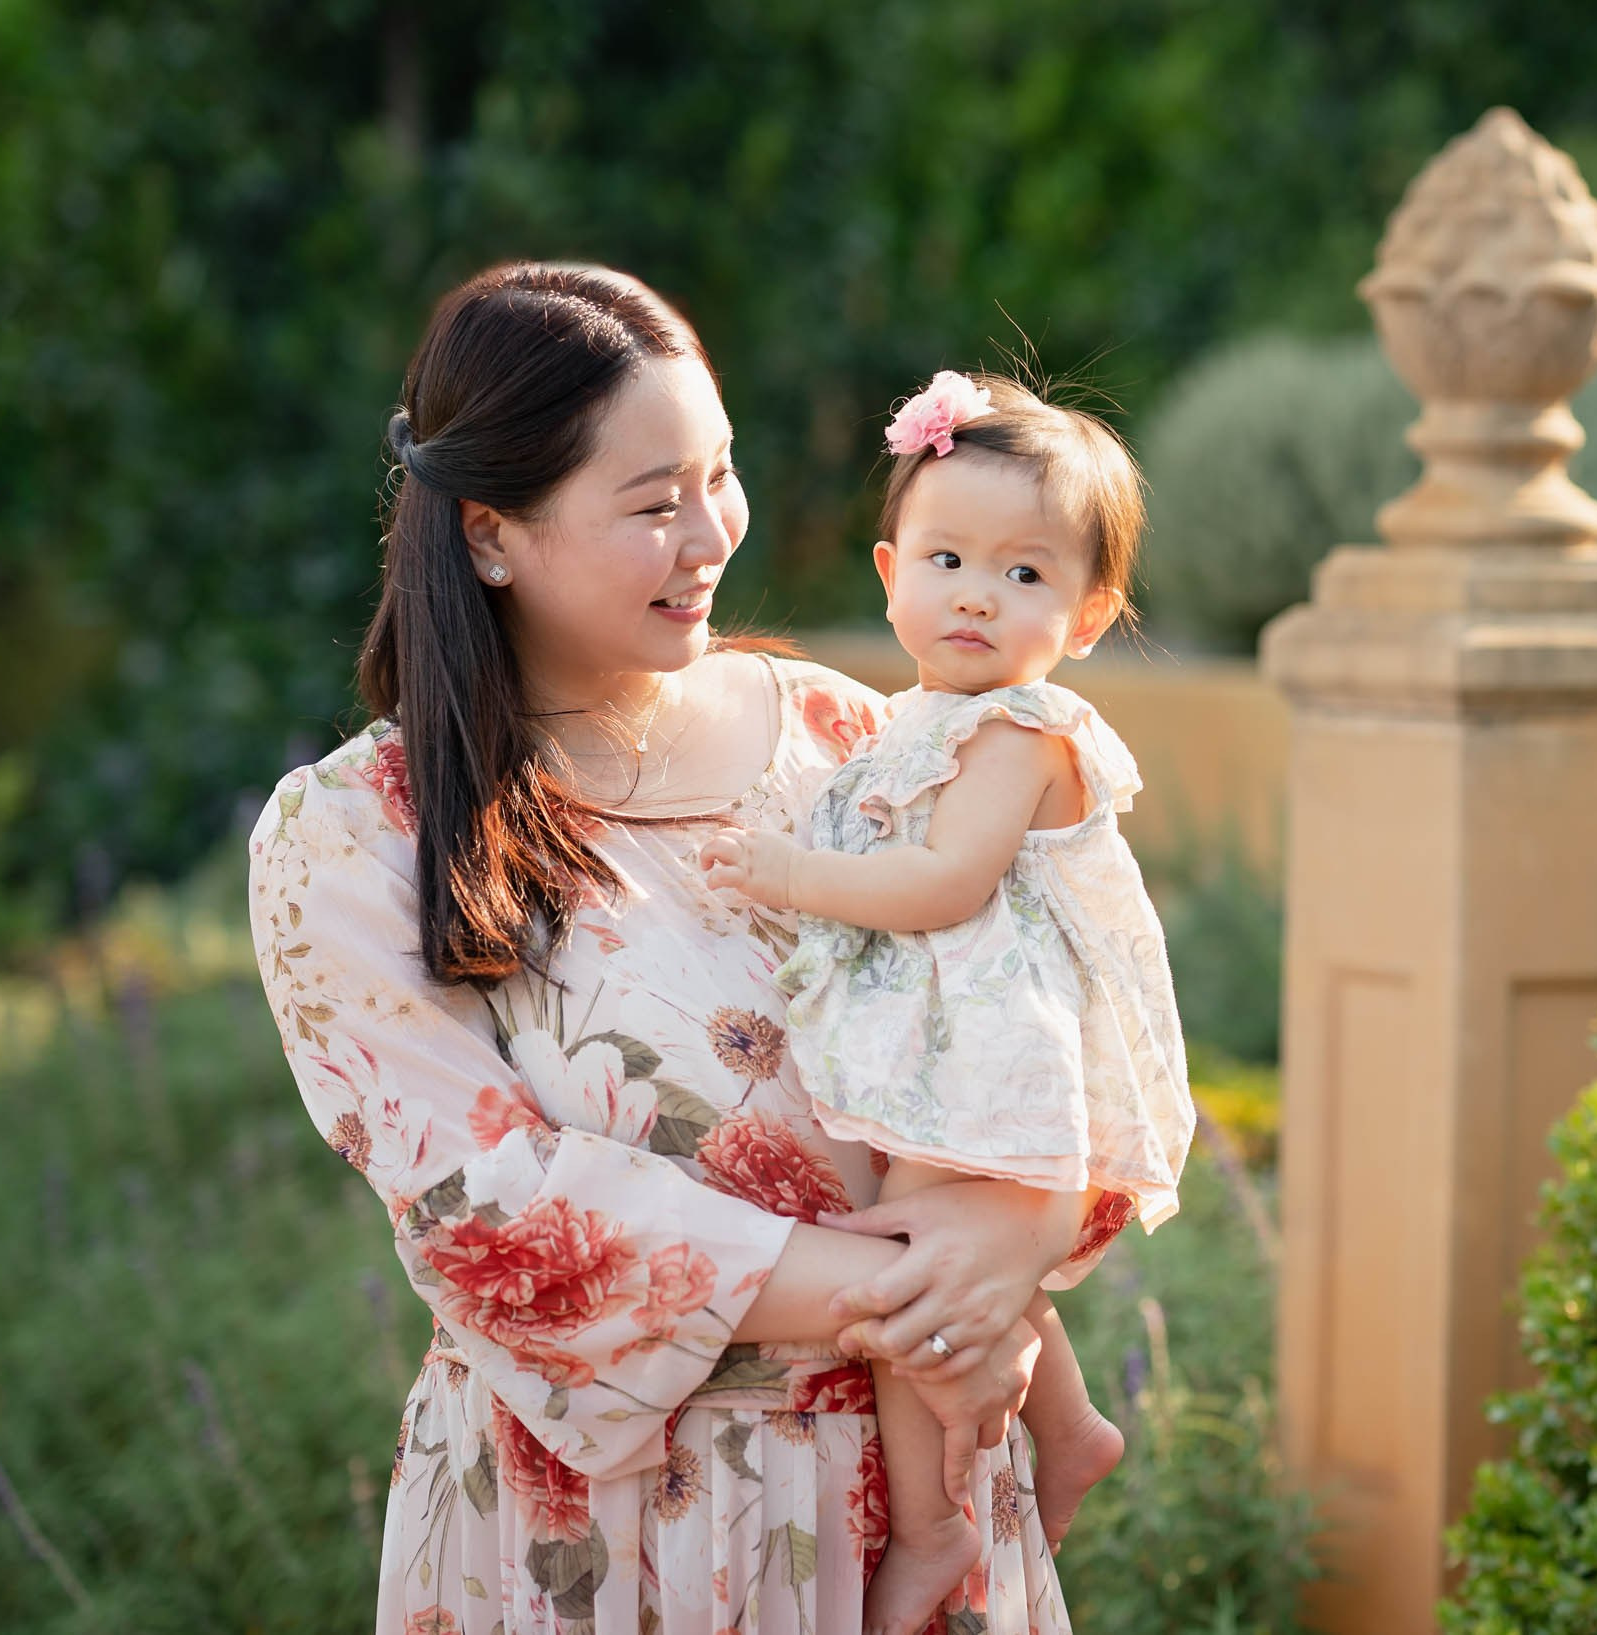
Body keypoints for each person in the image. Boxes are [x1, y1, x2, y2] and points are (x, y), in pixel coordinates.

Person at [247, 264, 1120, 1635]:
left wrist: (1015, 1237)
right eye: (654, 504)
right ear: (490, 534)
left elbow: (1048, 997)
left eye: (722, 472)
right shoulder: (359, 832)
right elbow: (487, 1208)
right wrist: (936, 1295)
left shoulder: (852, 735)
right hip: (606, 1536)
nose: (712, 531)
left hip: (916, 1485)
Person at [698, 371, 1192, 1635]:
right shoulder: (916, 719)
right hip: (949, 1042)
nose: (977, 592)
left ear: (1089, 616)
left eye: (1027, 575)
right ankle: (1069, 1424)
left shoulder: (1023, 728)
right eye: (950, 556)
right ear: (889, 569)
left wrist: (791, 875)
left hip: (1000, 1050)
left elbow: (942, 880)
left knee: (920, 1267)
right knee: (942, 1258)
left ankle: (933, 1529)